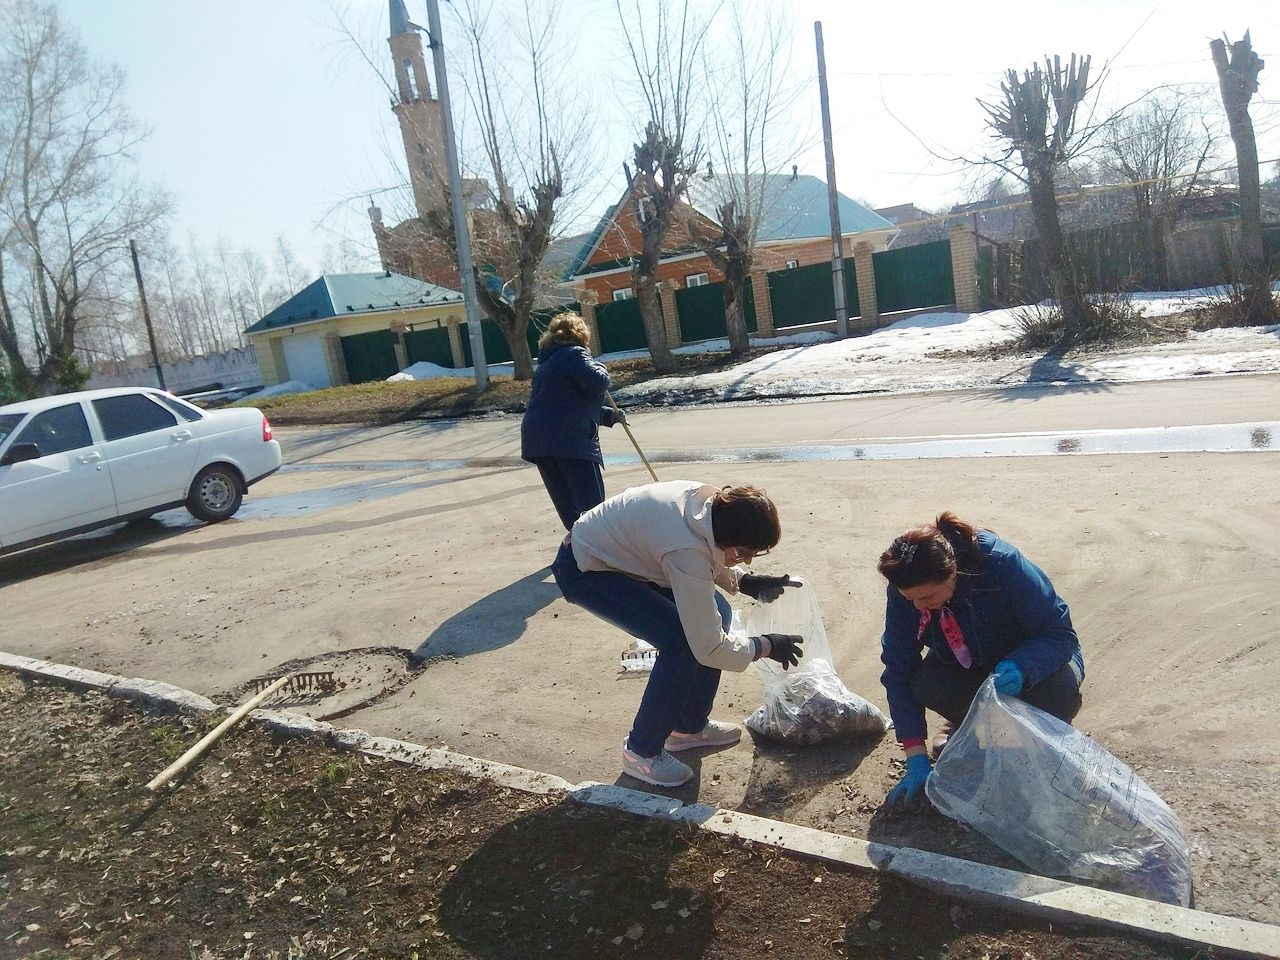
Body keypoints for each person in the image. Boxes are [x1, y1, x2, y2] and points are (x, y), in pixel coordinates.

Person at [553, 481, 804, 787]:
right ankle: (641, 753)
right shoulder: (685, 547)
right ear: (729, 536)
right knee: (681, 643)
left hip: (627, 558)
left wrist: (745, 580)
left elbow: (708, 553)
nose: (748, 559)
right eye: (744, 553)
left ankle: (688, 729)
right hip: (585, 569)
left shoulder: (710, 508)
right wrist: (765, 645)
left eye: (754, 555)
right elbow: (709, 647)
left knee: (720, 613)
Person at [877, 511, 1085, 806]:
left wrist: (1022, 667)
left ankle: (1050, 736)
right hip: (967, 660)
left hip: (1035, 660)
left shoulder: (1002, 563)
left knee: (1059, 694)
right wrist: (915, 755)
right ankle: (960, 725)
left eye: (927, 597)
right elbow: (898, 668)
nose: (918, 606)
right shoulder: (907, 589)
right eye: (911, 599)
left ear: (952, 572)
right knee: (926, 683)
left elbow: (1060, 634)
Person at [521, 312, 626, 530]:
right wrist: (600, 366)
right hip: (569, 442)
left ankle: (577, 549)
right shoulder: (574, 354)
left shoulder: (547, 362)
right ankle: (598, 549)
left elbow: (565, 404)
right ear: (581, 335)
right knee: (592, 505)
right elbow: (599, 381)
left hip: (539, 441)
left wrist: (607, 416)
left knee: (566, 503)